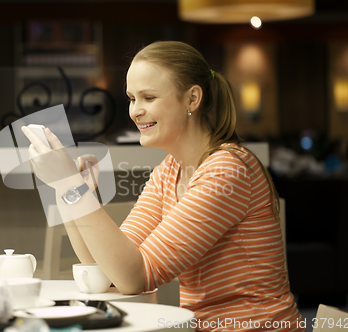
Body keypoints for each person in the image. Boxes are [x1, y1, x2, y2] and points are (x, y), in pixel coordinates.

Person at [22, 41, 304, 332]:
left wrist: (73, 188)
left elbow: (135, 276)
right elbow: (108, 270)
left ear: (192, 99)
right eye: (132, 98)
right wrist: (67, 188)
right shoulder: (168, 171)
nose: (135, 111)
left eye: (149, 97)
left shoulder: (227, 170)